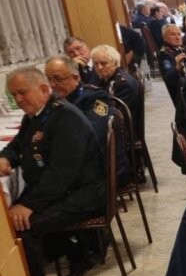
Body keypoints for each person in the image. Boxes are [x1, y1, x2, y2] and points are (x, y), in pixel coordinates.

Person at [0, 68, 105, 276]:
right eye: (14, 94)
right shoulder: (37, 115)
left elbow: (61, 174)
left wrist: (28, 204)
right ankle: (64, 253)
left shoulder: (64, 117)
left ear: (45, 89)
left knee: (24, 227)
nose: (18, 99)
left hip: (84, 193)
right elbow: (18, 145)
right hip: (64, 190)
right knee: (10, 217)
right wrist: (6, 158)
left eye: (22, 92)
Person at [44, 55, 131, 189]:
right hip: (78, 167)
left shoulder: (95, 98)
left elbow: (92, 135)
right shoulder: (55, 102)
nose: (52, 85)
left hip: (102, 172)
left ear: (76, 78)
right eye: (48, 79)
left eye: (57, 79)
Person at [91, 44, 140, 114]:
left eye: (103, 63)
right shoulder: (101, 78)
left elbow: (114, 113)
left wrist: (90, 106)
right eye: (95, 63)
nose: (99, 67)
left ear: (115, 63)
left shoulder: (123, 84)